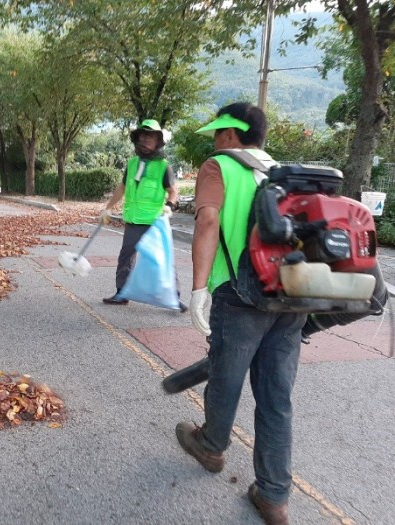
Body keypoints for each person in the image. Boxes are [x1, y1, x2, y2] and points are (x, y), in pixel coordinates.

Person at [175, 102, 303, 525]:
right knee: (275, 396)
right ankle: (274, 496)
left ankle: (211, 445)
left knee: (226, 378)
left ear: (231, 134)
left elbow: (208, 223)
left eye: (217, 133)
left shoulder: (219, 166)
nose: (214, 140)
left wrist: (197, 288)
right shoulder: (286, 172)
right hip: (290, 296)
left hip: (240, 293)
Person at [100, 119, 180, 306]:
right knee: (126, 257)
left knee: (162, 259)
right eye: (142, 136)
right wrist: (108, 207)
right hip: (134, 221)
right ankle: (121, 293)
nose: (145, 140)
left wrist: (169, 205)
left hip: (155, 221)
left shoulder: (163, 166)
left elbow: (173, 191)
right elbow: (122, 188)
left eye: (150, 136)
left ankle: (175, 296)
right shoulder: (132, 164)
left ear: (158, 141)